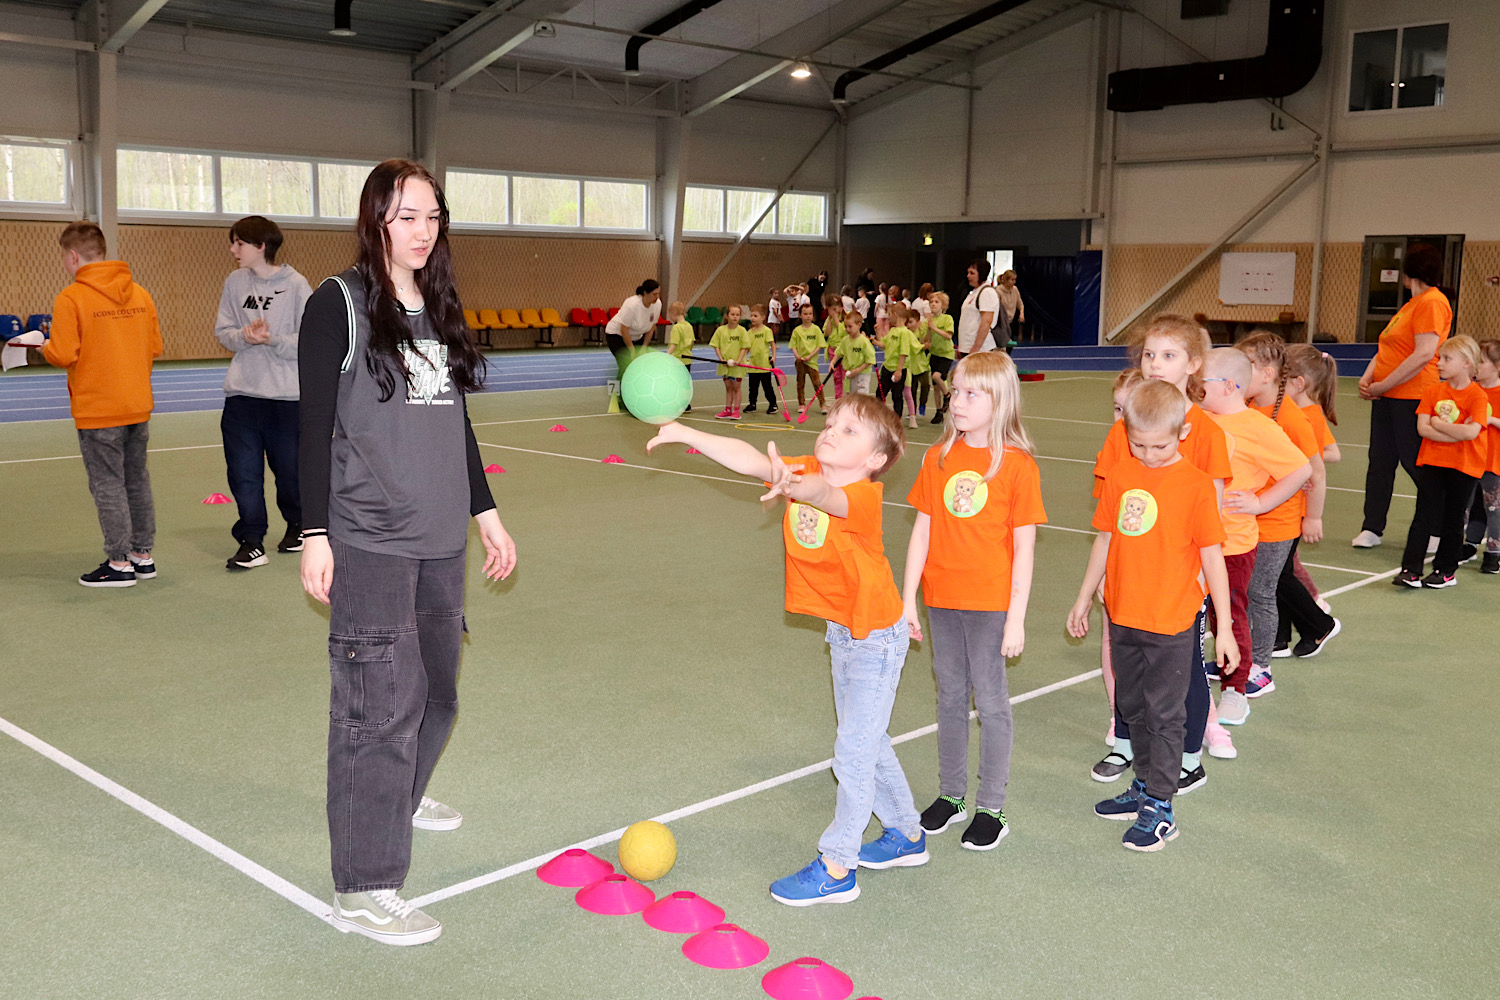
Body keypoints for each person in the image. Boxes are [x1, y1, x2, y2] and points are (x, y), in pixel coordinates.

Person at [297, 158, 517, 947]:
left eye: (432, 216)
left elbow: (454, 420)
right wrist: (314, 533)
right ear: (375, 220)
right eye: (406, 217)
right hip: (370, 541)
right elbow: (312, 425)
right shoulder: (339, 304)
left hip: (440, 541)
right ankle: (363, 887)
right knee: (378, 710)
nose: (423, 231)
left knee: (437, 695)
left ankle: (398, 798)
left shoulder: (438, 303)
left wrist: (486, 513)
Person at [646, 394, 923, 903]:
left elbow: (823, 494)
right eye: (831, 422)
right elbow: (751, 460)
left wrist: (793, 484)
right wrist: (687, 434)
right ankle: (906, 833)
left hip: (877, 640)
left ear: (876, 459)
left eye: (849, 430)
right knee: (868, 741)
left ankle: (837, 867)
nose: (831, 431)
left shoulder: (862, 497)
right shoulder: (808, 468)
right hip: (844, 633)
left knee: (853, 754)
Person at [1067, 380, 1237, 852]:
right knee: (1132, 707)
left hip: (1171, 620)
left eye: (1159, 446)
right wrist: (1084, 596)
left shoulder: (1196, 484)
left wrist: (1224, 626)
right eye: (1138, 444)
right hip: (1124, 614)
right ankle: (1143, 785)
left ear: (1183, 432)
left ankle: (1161, 806)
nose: (1148, 454)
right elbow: (1105, 539)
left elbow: (1213, 558)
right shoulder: (1122, 474)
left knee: (1164, 714)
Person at [903, 352, 1045, 850]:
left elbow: (1024, 549)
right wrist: (908, 599)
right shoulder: (938, 457)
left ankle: (991, 806)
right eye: (955, 390)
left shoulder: (1017, 465)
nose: (956, 401)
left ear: (999, 401)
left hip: (989, 605)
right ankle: (952, 794)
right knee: (948, 695)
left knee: (990, 701)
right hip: (942, 599)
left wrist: (1016, 619)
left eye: (970, 394)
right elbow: (922, 532)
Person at [1091, 316, 1230, 782]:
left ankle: (1187, 756)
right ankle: (1127, 743)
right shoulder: (1125, 429)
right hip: (1132, 577)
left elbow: (1211, 513)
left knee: (1182, 667)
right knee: (1128, 665)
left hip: (1181, 580)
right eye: (1149, 354)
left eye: (1168, 355)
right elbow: (1114, 513)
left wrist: (1202, 581)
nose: (1154, 364)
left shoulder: (1205, 432)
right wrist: (1107, 572)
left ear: (1193, 365)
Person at [42, 221, 163, 588]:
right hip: (136, 403)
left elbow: (63, 353)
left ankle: (119, 561)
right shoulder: (139, 293)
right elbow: (155, 347)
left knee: (108, 485)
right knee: (137, 480)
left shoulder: (71, 298)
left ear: (73, 256)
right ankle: (142, 555)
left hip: (98, 409)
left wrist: (44, 346)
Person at [1198, 348, 1311, 731]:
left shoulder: (1259, 428)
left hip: (1231, 543)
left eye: (1202, 383)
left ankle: (1235, 689)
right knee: (1195, 614)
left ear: (1229, 386)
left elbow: (1301, 469)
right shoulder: (1198, 418)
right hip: (1191, 540)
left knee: (1230, 615)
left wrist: (1261, 502)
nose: (1195, 389)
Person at [214, 215, 312, 571]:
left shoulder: (297, 285)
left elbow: (310, 340)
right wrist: (245, 336)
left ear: (261, 246)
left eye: (239, 243)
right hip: (242, 395)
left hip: (285, 398)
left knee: (289, 472)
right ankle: (252, 541)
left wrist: (273, 340)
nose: (233, 250)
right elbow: (223, 331)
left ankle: (298, 524)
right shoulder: (234, 282)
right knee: (243, 472)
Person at [1354, 245, 1451, 548]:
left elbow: (1424, 354)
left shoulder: (1432, 302)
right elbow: (1388, 349)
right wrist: (1369, 377)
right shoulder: (1410, 305)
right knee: (1380, 462)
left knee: (1416, 462)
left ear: (1408, 273)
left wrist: (1384, 385)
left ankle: (1438, 529)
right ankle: (1372, 527)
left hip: (1413, 396)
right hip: (1388, 397)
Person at [1394, 335, 1488, 589]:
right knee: (1423, 515)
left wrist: (1439, 424)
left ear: (1467, 362)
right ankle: (1410, 570)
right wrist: (1452, 430)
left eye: (1447, 358)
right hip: (1433, 462)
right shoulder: (1433, 391)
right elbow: (1423, 428)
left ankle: (1445, 571)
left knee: (1453, 518)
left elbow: (1472, 432)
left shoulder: (1477, 396)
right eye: (1440, 358)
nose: (1439, 363)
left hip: (1464, 466)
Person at [1468, 339, 1500, 575]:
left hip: (1493, 461)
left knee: (1493, 508)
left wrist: (1489, 420)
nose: (1476, 366)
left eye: (1481, 362)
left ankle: (1494, 552)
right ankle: (1469, 543)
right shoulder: (1471, 391)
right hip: (1470, 459)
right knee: (1469, 505)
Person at [605, 279, 662, 400]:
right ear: (645, 293)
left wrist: (644, 347)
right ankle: (616, 396)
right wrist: (632, 350)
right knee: (625, 364)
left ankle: (632, 394)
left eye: (658, 294)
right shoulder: (632, 304)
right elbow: (624, 329)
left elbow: (652, 327)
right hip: (616, 335)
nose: (657, 297)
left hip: (637, 336)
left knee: (638, 365)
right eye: (654, 294)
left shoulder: (657, 304)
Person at [955, 260, 1003, 358]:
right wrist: (962, 346)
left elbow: (986, 321)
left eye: (972, 273)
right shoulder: (974, 292)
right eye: (968, 273)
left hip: (980, 349)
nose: (968, 276)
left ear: (981, 274)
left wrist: (976, 348)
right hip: (968, 347)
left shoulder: (987, 292)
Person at [709, 304, 747, 419]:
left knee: (736, 387)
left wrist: (738, 360)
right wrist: (721, 359)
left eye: (737, 315)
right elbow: (716, 345)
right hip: (725, 365)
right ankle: (727, 409)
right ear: (727, 315)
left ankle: (736, 411)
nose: (735, 317)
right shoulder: (720, 330)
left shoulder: (742, 331)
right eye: (732, 314)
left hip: (737, 366)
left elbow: (744, 347)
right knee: (728, 387)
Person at [791, 301, 828, 417]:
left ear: (813, 315)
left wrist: (810, 356)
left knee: (817, 383)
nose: (808, 316)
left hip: (811, 362)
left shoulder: (816, 329)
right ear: (800, 315)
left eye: (810, 314)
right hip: (800, 362)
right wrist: (797, 355)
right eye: (805, 314)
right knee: (800, 383)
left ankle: (822, 404)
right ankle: (801, 404)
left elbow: (820, 345)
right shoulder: (797, 331)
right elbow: (793, 345)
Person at [879, 304, 914, 424]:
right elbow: (884, 345)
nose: (888, 317)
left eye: (889, 314)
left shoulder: (904, 333)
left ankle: (897, 419)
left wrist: (899, 370)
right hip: (887, 367)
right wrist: (876, 335)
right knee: (880, 393)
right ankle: (878, 416)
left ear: (895, 315)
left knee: (897, 395)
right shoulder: (892, 330)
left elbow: (904, 352)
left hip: (897, 369)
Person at [742, 305, 778, 415]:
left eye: (755, 316)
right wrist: (743, 358)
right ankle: (752, 404)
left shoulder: (767, 331)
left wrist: (774, 356)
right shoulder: (749, 332)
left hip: (764, 365)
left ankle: (773, 404)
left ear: (763, 317)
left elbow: (772, 344)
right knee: (752, 387)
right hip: (753, 365)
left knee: (767, 386)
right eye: (751, 316)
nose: (752, 318)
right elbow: (747, 347)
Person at [926, 292, 956, 424]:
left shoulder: (947, 319)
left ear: (943, 305)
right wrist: (928, 328)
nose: (933, 304)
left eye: (936, 302)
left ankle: (948, 395)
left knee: (936, 377)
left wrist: (934, 328)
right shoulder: (929, 320)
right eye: (931, 302)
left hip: (946, 354)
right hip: (934, 354)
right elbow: (926, 340)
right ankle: (938, 412)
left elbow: (948, 336)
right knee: (936, 386)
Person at [665, 300, 695, 413]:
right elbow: (692, 342)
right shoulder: (689, 326)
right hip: (687, 359)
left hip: (677, 360)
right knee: (685, 383)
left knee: (676, 383)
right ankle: (686, 403)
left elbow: (674, 344)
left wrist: (667, 355)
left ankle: (678, 403)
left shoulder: (677, 328)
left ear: (673, 314)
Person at [838, 310, 877, 395]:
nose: (847, 329)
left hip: (862, 375)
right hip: (850, 374)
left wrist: (858, 370)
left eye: (850, 326)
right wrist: (832, 362)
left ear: (859, 325)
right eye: (845, 326)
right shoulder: (845, 340)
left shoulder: (864, 342)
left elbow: (870, 360)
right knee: (851, 397)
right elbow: (839, 352)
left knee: (861, 398)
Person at [997, 270, 1024, 341]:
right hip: (1000, 323)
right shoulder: (998, 291)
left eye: (1015, 279)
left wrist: (1021, 314)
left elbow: (1020, 304)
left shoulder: (1015, 289)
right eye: (1012, 280)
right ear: (1006, 280)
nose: (1014, 282)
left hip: (1011, 321)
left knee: (1010, 343)